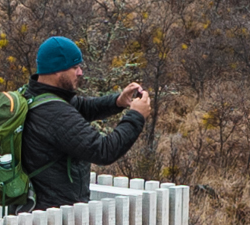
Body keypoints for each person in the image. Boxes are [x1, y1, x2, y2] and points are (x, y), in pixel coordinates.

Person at [16, 35, 151, 212]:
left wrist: (117, 101)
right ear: (57, 69)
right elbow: (104, 151)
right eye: (75, 67)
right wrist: (136, 116)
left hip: (38, 210)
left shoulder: (34, 96)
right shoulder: (55, 114)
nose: (80, 72)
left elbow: (82, 107)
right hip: (55, 218)